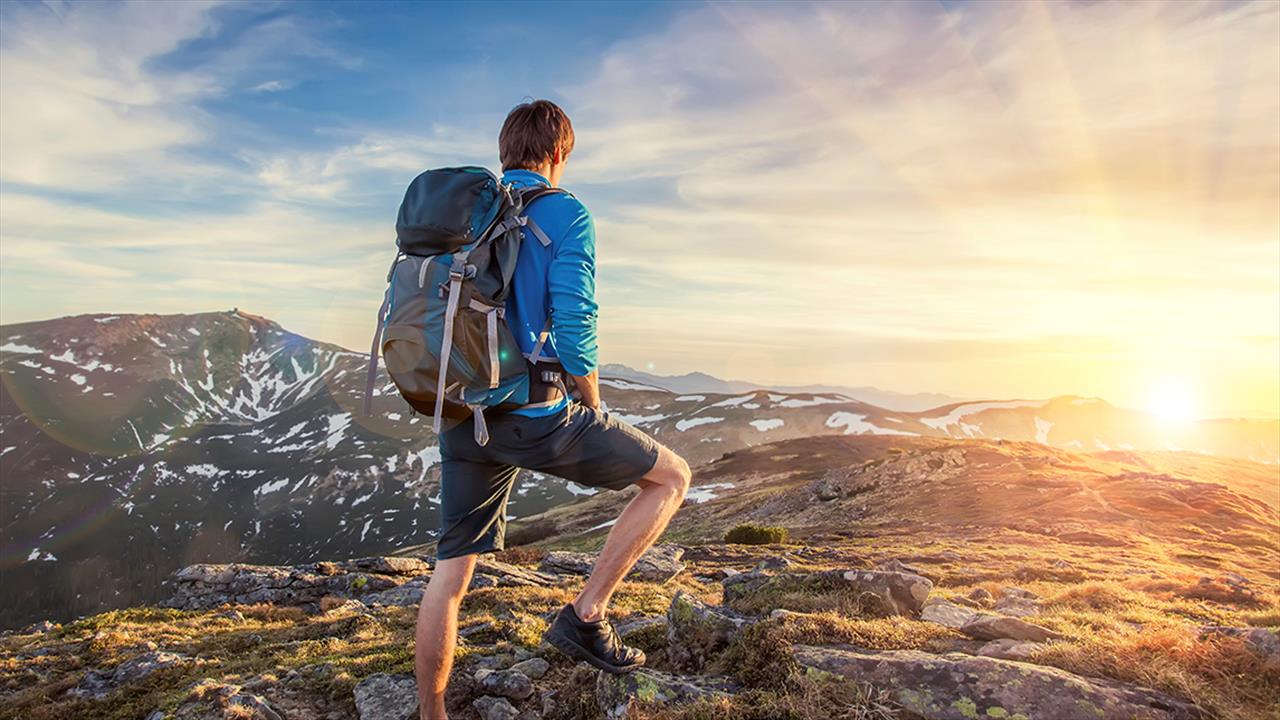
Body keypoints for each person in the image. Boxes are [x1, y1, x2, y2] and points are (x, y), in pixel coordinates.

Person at [413, 99, 692, 720]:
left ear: (505, 151)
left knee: (450, 576)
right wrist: (589, 402)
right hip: (537, 417)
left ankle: (431, 715)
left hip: (461, 414)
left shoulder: (466, 220)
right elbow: (575, 324)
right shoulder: (564, 212)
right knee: (672, 477)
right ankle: (586, 615)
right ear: (561, 153)